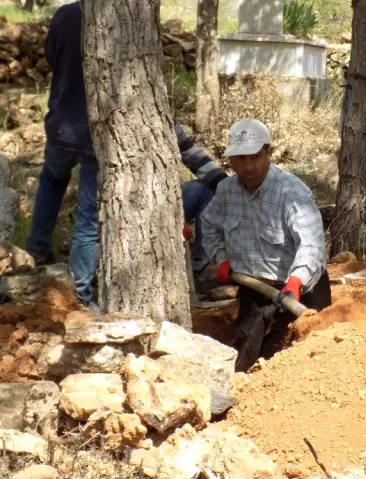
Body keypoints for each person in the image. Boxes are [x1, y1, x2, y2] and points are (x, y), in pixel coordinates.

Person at [25, 1, 226, 307]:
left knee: (51, 182)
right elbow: (182, 145)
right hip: (96, 131)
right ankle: (80, 294)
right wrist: (221, 179)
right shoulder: (128, 18)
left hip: (62, 125)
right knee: (88, 222)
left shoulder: (65, 15)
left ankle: (36, 251)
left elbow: (51, 57)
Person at [202, 119, 332, 372]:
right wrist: (221, 259)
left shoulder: (292, 192)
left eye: (255, 156)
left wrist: (296, 281)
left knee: (297, 362)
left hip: (299, 290)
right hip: (254, 289)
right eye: (240, 158)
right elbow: (209, 226)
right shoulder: (225, 191)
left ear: (269, 153)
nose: (248, 165)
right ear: (230, 160)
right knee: (244, 362)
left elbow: (312, 244)